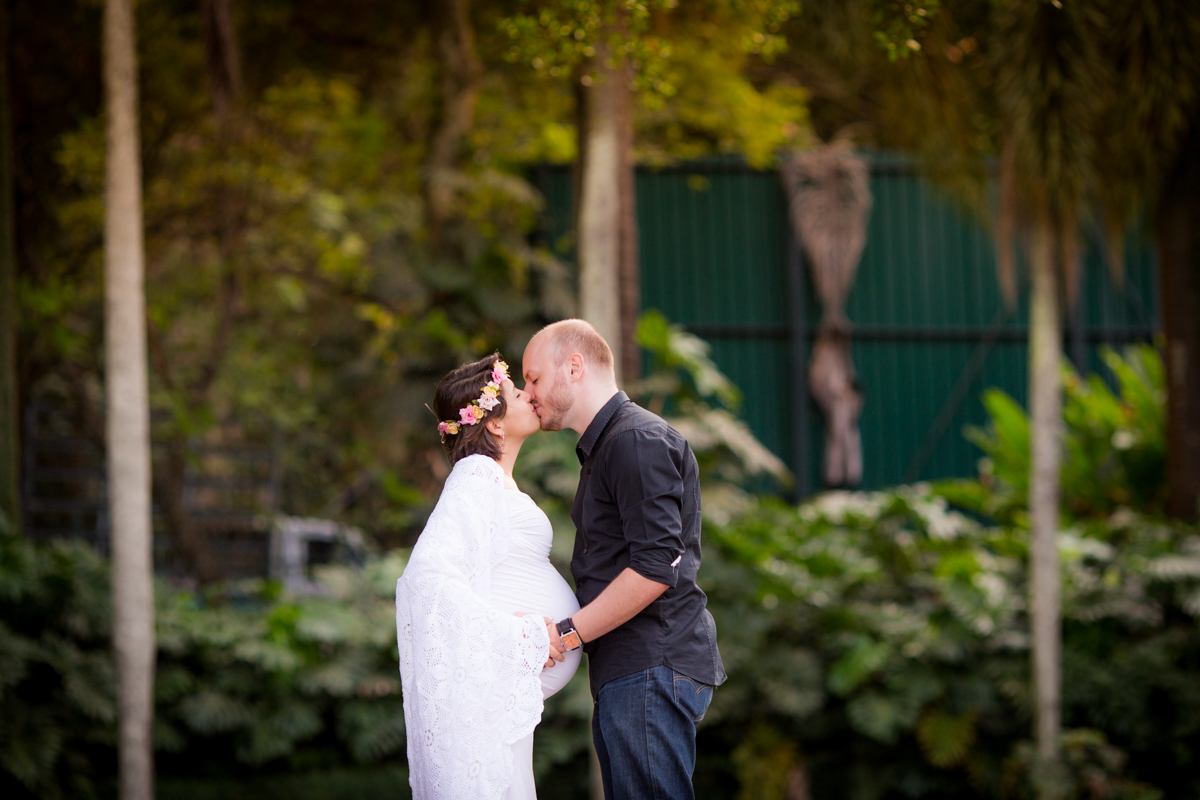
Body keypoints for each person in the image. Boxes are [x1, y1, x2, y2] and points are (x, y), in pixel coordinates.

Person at [521, 319, 726, 800]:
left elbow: (655, 568)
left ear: (574, 367)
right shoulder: (609, 446)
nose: (528, 392)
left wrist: (566, 633)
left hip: (650, 665)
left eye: (533, 377)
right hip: (632, 670)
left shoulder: (634, 440)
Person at [395, 354, 580, 800]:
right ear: (495, 424)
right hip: (499, 675)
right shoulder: (477, 475)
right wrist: (514, 634)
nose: (529, 395)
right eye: (518, 393)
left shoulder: (492, 480)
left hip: (505, 692)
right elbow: (425, 579)